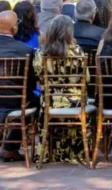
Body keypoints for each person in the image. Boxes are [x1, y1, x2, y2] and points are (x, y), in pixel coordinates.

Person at [33, 15, 89, 162]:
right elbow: (87, 78)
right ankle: (76, 153)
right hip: (75, 102)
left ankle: (49, 152)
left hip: (50, 101)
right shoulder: (78, 52)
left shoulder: (41, 53)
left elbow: (38, 78)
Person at [0, 11, 38, 162]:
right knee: (38, 101)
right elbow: (31, 83)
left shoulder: (24, 50)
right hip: (15, 101)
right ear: (13, 28)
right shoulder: (25, 51)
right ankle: (11, 148)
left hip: (13, 100)